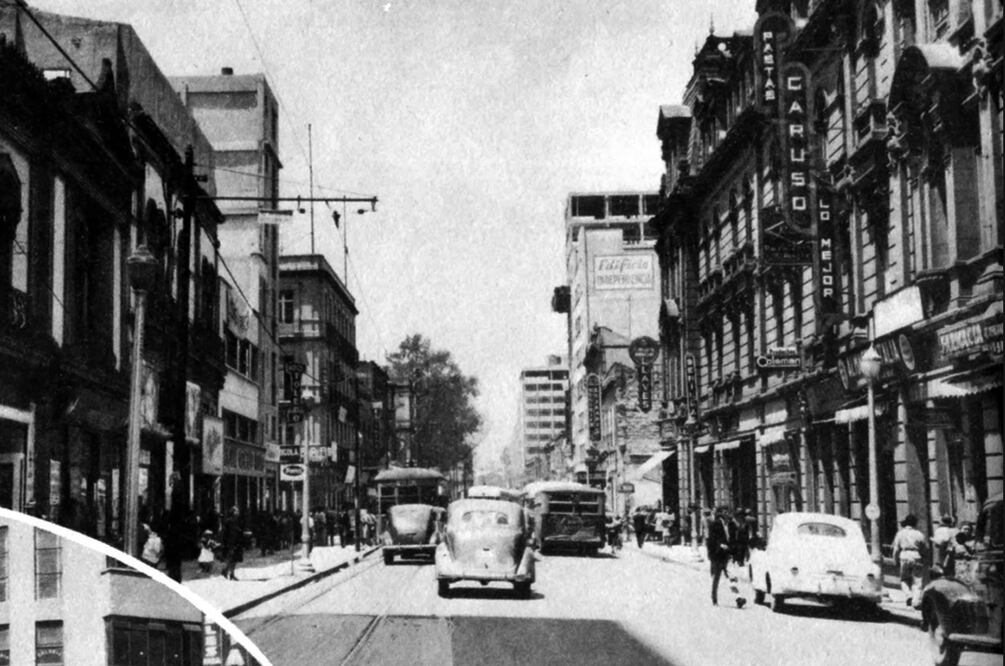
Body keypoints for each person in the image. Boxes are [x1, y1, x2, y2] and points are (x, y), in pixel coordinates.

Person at [706, 506, 741, 607]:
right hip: (717, 555)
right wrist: (720, 545)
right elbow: (711, 540)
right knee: (716, 578)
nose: (727, 514)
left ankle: (738, 598)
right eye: (725, 512)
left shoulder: (731, 524)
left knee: (732, 577)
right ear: (720, 513)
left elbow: (736, 535)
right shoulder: (714, 524)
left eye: (728, 512)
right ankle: (714, 599)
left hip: (728, 555)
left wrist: (734, 552)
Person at [892, 514, 927, 607]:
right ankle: (916, 601)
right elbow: (924, 549)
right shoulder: (919, 534)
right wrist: (924, 559)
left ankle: (908, 595)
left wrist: (894, 559)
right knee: (917, 580)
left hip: (904, 556)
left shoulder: (900, 533)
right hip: (916, 556)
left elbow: (896, 549)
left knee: (904, 579)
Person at [220, 506, 244, 581]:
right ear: (233, 512)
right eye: (236, 511)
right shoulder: (229, 521)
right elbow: (226, 533)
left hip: (237, 542)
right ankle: (226, 570)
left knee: (235, 559)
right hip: (231, 542)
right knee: (231, 558)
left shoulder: (237, 520)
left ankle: (231, 573)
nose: (238, 513)